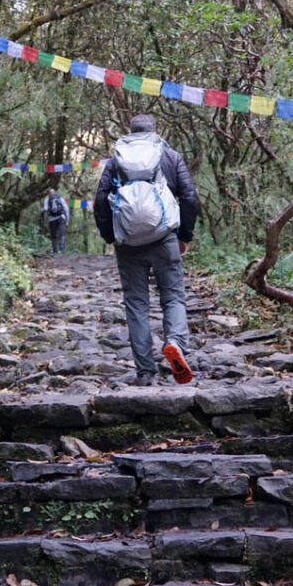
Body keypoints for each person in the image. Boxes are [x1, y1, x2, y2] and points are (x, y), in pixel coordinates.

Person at [93, 114, 198, 385]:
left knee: (136, 304)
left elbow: (100, 201)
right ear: (154, 131)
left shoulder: (117, 159)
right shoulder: (170, 156)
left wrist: (110, 235)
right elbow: (189, 197)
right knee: (173, 297)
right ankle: (175, 342)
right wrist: (184, 235)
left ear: (130, 132)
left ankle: (145, 371)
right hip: (165, 239)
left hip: (128, 243)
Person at [41, 188, 70, 255]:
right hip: (61, 217)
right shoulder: (60, 199)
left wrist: (42, 210)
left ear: (48, 194)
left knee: (53, 235)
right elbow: (66, 209)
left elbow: (45, 209)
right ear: (55, 192)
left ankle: (55, 251)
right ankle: (62, 248)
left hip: (52, 219)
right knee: (61, 233)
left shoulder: (47, 200)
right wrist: (67, 220)